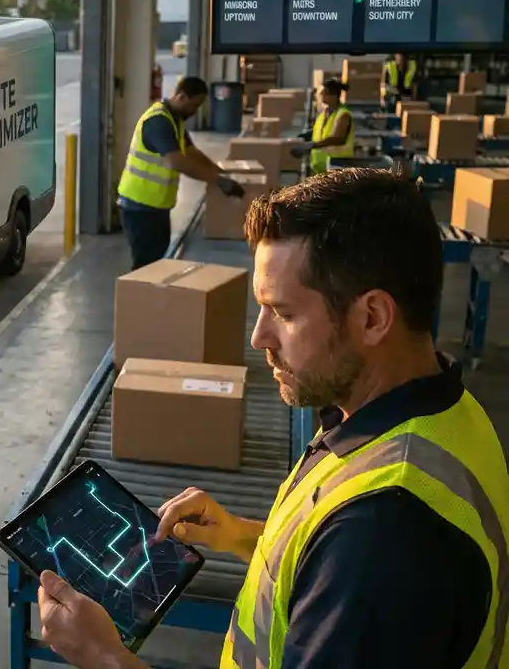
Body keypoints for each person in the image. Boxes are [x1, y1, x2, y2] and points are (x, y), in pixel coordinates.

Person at [37, 168, 509, 669]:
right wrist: (241, 534)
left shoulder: (383, 537)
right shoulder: (443, 409)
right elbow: (325, 564)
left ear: (372, 318)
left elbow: (358, 562)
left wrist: (104, 657)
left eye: (282, 314)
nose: (258, 337)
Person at [117, 76, 245, 271]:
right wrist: (218, 181)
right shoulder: (158, 122)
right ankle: (137, 300)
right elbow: (177, 162)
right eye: (193, 105)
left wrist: (222, 172)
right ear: (181, 96)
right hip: (139, 205)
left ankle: (149, 298)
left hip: (157, 205)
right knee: (145, 265)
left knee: (158, 259)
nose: (194, 112)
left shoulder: (175, 121)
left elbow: (193, 154)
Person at [290, 78, 354, 176]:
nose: (321, 96)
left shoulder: (343, 114)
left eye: (324, 93)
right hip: (319, 168)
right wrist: (306, 136)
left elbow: (338, 138)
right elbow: (320, 132)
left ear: (333, 95)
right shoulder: (323, 114)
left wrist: (311, 145)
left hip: (336, 166)